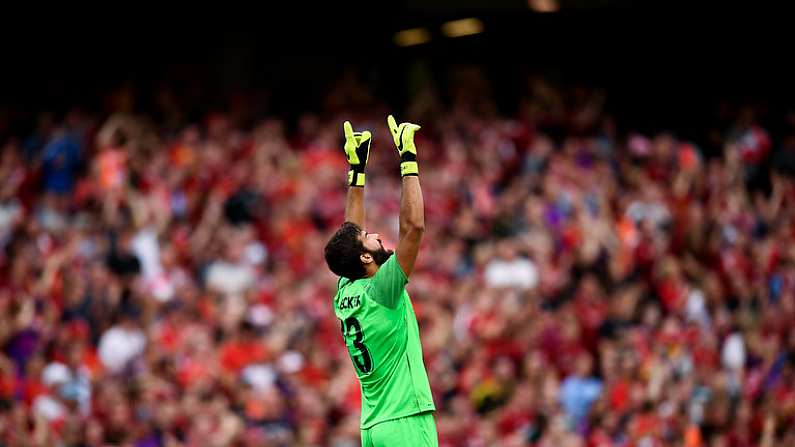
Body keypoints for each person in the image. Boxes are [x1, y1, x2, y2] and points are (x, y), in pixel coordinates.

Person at [324, 116, 437, 446]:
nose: (374, 234)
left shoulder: (347, 288)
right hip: (405, 421)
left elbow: (349, 233)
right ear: (365, 258)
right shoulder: (381, 290)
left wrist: (356, 172)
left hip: (372, 427)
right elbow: (414, 228)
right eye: (368, 237)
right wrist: (409, 160)